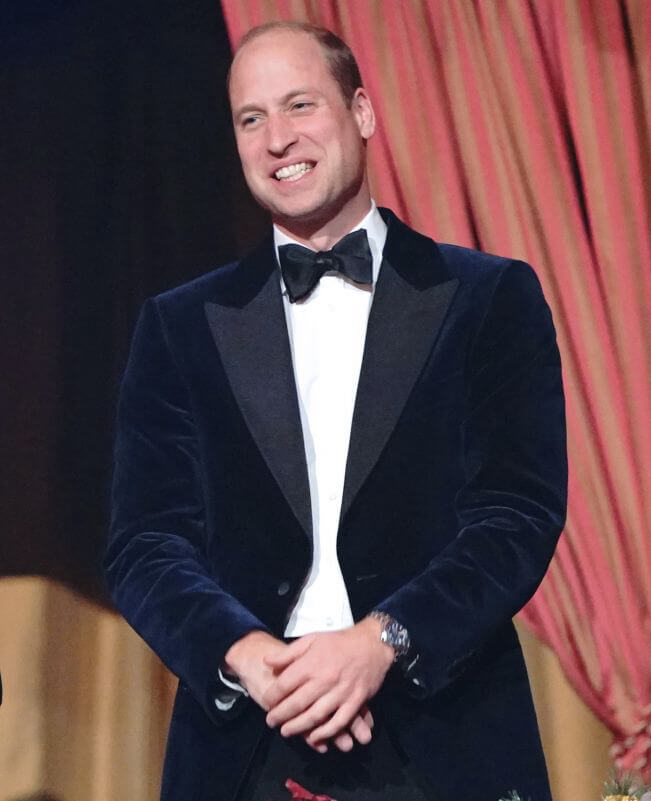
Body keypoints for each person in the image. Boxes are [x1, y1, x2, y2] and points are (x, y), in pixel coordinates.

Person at [105, 21, 566, 801]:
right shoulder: (178, 324)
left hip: (438, 731)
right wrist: (245, 652)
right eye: (252, 119)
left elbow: (515, 513)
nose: (278, 138)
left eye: (300, 106)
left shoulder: (490, 296)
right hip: (249, 735)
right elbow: (145, 542)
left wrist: (381, 641)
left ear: (362, 112)